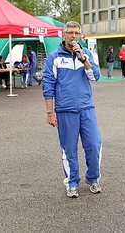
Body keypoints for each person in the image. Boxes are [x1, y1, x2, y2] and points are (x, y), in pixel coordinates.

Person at [42, 21, 102, 198]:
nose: (73, 36)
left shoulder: (87, 54)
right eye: (70, 33)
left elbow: (95, 77)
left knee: (94, 144)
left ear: (80, 36)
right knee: (69, 149)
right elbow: (48, 86)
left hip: (86, 108)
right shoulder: (54, 57)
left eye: (76, 33)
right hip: (65, 110)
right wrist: (50, 113)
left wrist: (84, 59)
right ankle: (72, 182)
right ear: (64, 35)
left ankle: (93, 178)